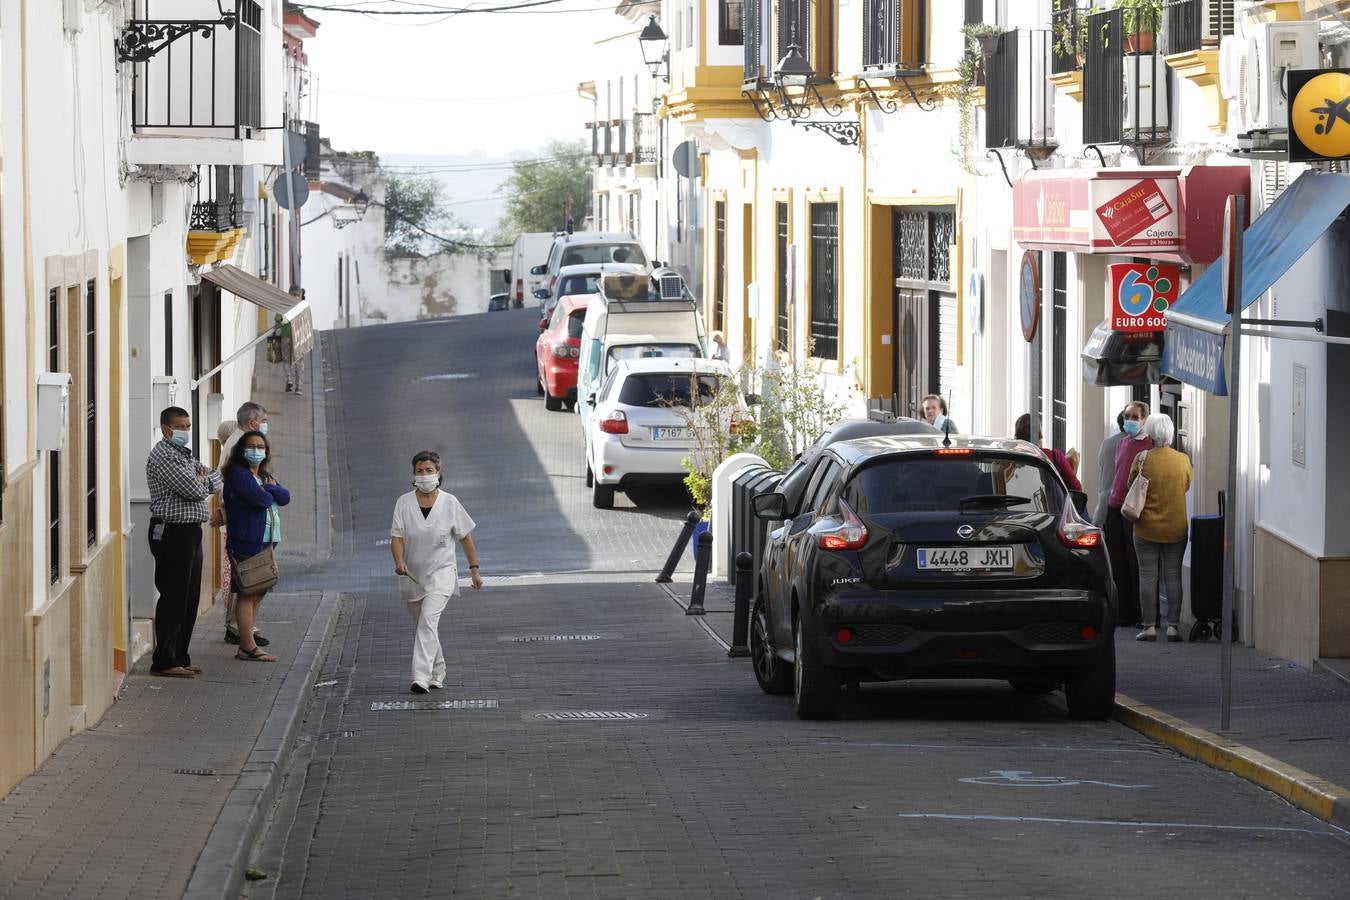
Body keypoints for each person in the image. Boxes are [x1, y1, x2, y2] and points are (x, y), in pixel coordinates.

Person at [390, 451, 483, 694]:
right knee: (425, 625)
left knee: (428, 621)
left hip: (441, 574)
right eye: (420, 471)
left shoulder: (450, 503)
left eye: (429, 470)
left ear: (438, 474)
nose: (424, 475)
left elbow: (466, 537)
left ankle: (420, 677)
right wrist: (399, 561)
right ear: (413, 475)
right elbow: (397, 537)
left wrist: (474, 570)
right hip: (412, 576)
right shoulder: (403, 503)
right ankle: (438, 670)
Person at [145, 406, 222, 678]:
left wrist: (204, 478)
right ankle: (164, 660)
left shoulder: (183, 455)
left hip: (190, 531)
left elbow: (215, 475)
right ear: (167, 429)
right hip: (171, 532)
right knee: (174, 595)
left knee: (189, 595)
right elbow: (193, 489)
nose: (186, 431)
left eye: (188, 426)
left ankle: (180, 655)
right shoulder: (165, 456)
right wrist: (202, 482)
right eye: (181, 427)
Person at [221, 430, 290, 662]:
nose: (256, 451)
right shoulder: (240, 475)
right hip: (246, 541)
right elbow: (261, 501)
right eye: (252, 446)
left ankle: (247, 641)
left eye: (261, 447)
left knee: (258, 590)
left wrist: (268, 489)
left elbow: (285, 496)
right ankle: (247, 646)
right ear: (242, 450)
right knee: (247, 592)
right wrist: (268, 491)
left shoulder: (261, 475)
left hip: (265, 542)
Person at [1127, 414, 1192, 642]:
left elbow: (1130, 484)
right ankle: (1173, 626)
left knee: (1147, 576)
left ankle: (1149, 627)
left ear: (1151, 434)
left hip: (1146, 528)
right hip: (1175, 527)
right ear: (1171, 433)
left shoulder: (1142, 458)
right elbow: (1186, 485)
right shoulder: (1183, 460)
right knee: (1173, 575)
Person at [218, 403, 272, 648]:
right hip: (243, 527)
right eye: (263, 420)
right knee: (246, 582)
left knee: (252, 582)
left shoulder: (243, 441)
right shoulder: (238, 446)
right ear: (252, 422)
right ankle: (239, 629)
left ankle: (245, 627)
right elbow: (259, 493)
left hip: (249, 524)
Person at [1105, 401, 1152, 628]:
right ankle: (1124, 612)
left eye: (1134, 417)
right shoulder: (1122, 443)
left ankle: (1141, 612)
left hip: (1133, 510)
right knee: (1117, 561)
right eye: (1127, 416)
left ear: (1144, 420)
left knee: (1135, 562)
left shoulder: (1148, 445)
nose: (1130, 421)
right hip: (1114, 505)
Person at [1014, 414, 1082, 492]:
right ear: (1039, 435)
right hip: (1051, 504)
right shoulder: (1055, 457)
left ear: (1016, 437)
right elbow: (1077, 489)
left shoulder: (1009, 460)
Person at [1093, 409, 1128, 527]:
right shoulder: (1132, 444)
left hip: (1104, 505)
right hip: (1124, 507)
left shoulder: (1106, 443)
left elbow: (1101, 464)